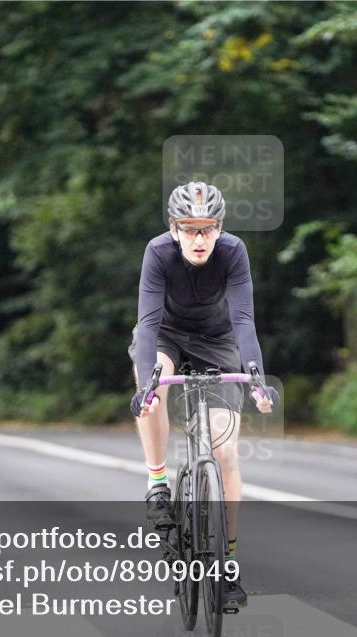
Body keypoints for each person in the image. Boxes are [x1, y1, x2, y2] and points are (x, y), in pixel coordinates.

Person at [128, 181, 277, 610]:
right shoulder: (158, 252)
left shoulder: (234, 252)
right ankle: (157, 481)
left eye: (207, 228)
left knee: (225, 453)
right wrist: (146, 387)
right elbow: (149, 320)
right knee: (154, 383)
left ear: (220, 228)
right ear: (174, 230)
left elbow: (245, 320)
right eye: (189, 229)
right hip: (167, 335)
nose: (199, 238)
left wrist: (257, 380)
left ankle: (227, 564)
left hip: (218, 339)